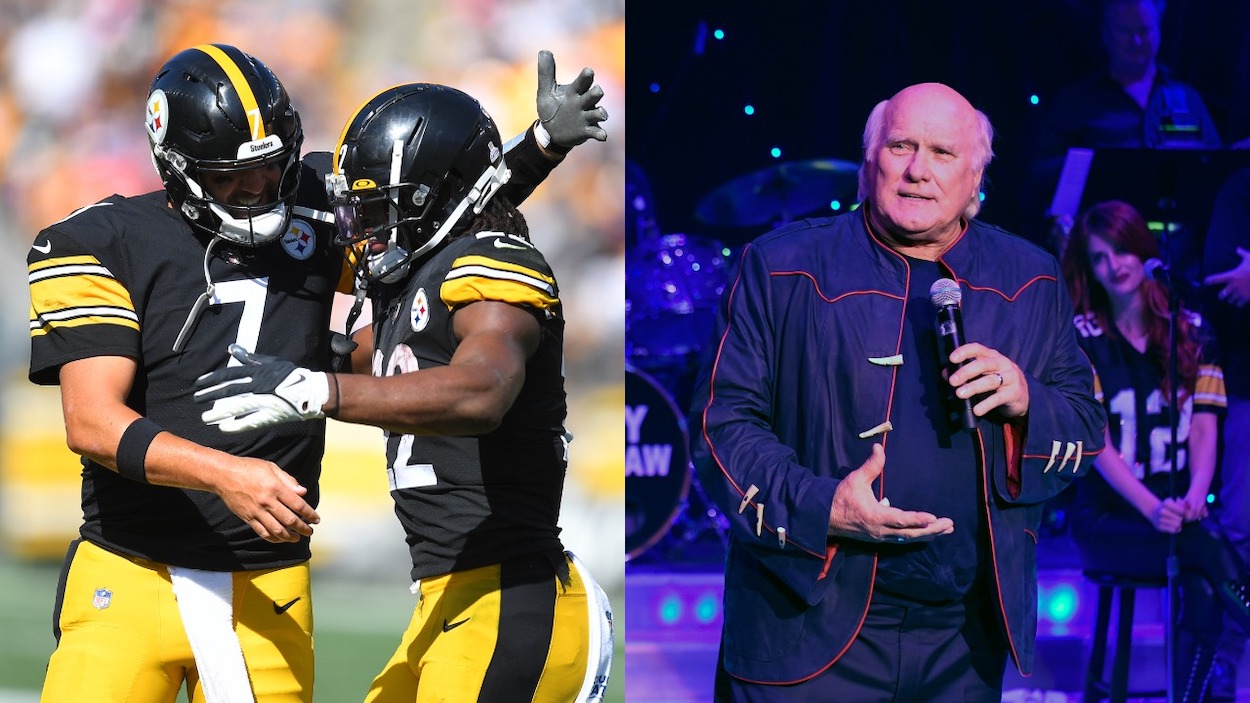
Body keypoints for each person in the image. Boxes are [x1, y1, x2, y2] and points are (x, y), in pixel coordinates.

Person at [26, 44, 606, 701]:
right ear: (178, 169)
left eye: (272, 166)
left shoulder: (311, 200)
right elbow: (93, 421)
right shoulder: (95, 240)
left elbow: (424, 211)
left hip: (267, 584)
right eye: (229, 177)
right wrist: (227, 474)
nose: (259, 188)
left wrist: (533, 152)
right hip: (129, 568)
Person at [191, 83, 612, 702]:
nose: (358, 229)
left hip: (510, 599)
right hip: (447, 604)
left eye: (378, 208)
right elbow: (458, 205)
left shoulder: (490, 263)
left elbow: (482, 392)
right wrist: (538, 148)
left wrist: (318, 389)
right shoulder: (414, 283)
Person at [686, 82, 1106, 702]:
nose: (917, 170)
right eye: (900, 146)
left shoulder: (1032, 278)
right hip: (807, 622)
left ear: (975, 179)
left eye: (942, 153)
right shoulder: (780, 267)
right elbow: (720, 425)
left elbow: (1086, 427)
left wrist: (1026, 401)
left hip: (965, 637)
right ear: (868, 164)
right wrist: (820, 506)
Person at [1061, 199, 1250, 702]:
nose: (1113, 265)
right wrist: (1153, 508)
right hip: (1109, 521)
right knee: (1204, 547)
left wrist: (1194, 495)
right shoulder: (1084, 339)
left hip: (1178, 515)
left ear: (1144, 251)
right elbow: (1094, 442)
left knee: (1207, 587)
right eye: (1099, 258)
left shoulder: (1191, 328)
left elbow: (1207, 427)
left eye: (1122, 250)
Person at [1027, 0, 1223, 254]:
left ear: (1159, 30)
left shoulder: (1186, 98)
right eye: (1126, 31)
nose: (1137, 41)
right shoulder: (1077, 103)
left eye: (1144, 30)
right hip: (1107, 256)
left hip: (1179, 258)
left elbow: (1216, 174)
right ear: (1105, 34)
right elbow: (1041, 175)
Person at [1202, 166, 1250, 699]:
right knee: (1240, 527)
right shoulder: (1240, 187)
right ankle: (1224, 660)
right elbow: (1225, 280)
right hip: (1246, 385)